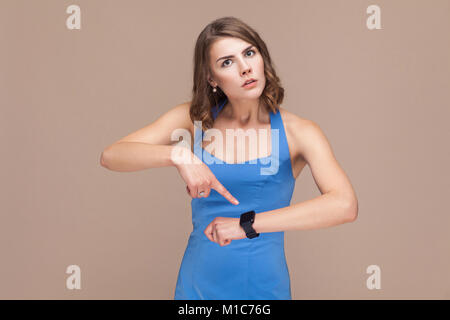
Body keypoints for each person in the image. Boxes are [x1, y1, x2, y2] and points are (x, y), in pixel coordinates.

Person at [100, 16, 358, 300]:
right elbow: (112, 155)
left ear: (262, 58)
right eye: (227, 62)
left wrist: (246, 225)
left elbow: (344, 205)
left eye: (249, 53)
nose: (245, 67)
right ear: (211, 78)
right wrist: (177, 154)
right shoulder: (193, 121)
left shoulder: (299, 132)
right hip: (197, 286)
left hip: (262, 290)